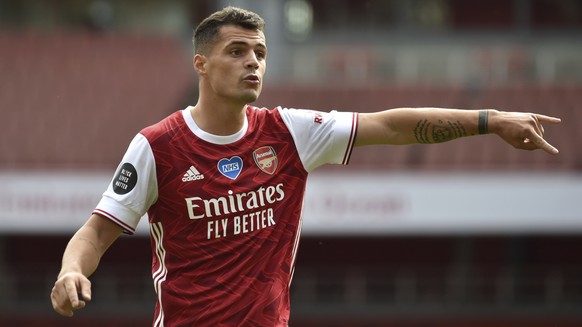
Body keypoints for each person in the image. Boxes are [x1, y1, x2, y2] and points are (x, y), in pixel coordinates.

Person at [50, 6, 561, 327]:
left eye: (261, 52)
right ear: (201, 64)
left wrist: (490, 119)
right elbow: (96, 233)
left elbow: (391, 125)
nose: (254, 62)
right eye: (237, 51)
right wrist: (71, 270)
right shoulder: (157, 145)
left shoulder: (290, 132)